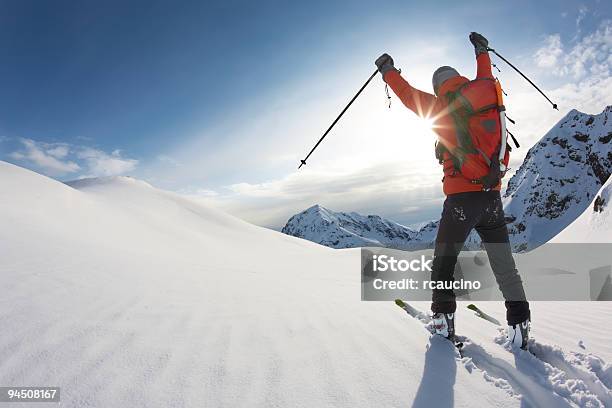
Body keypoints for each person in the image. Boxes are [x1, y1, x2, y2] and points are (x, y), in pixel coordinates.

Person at [375, 32, 531, 349]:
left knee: (444, 262)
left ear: (438, 86)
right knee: (504, 265)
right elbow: (486, 69)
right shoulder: (484, 91)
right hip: (492, 197)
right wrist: (481, 49)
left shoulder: (440, 106)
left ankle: (443, 324)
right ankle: (520, 325)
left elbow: (406, 95)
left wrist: (388, 70)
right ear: (458, 78)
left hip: (461, 199)